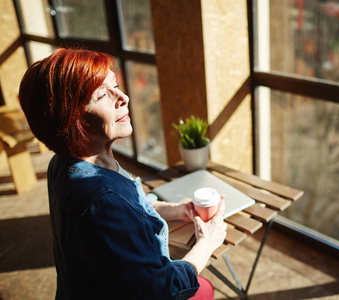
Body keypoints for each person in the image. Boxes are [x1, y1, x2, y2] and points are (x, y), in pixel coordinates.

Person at [19, 48, 227, 299]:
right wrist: (207, 243)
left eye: (116, 86)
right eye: (102, 95)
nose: (123, 97)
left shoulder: (63, 163)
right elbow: (162, 291)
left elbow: (125, 208)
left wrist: (173, 209)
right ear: (70, 119)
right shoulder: (101, 197)